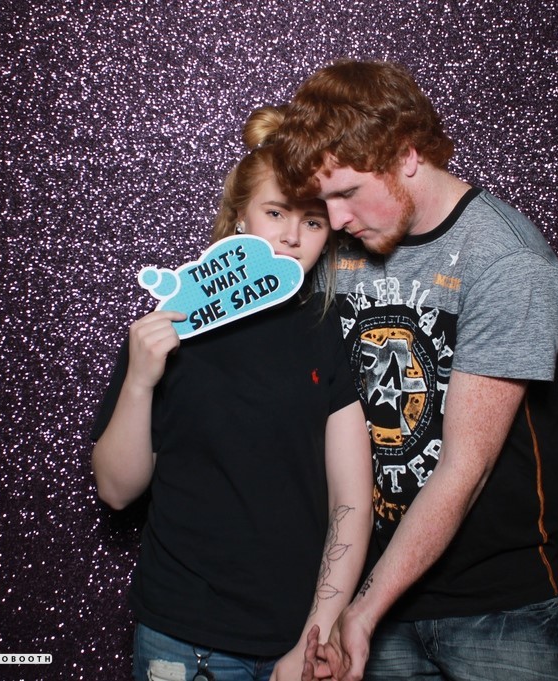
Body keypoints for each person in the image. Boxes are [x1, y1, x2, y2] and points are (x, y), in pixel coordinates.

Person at [272, 60, 558, 681]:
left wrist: (361, 613)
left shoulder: (508, 261)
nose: (334, 220)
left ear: (407, 154)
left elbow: (466, 467)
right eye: (322, 201)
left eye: (347, 193)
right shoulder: (339, 245)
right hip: (363, 595)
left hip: (495, 608)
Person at [90, 106, 373, 681]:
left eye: (313, 222)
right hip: (184, 638)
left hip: (292, 640)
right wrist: (140, 379)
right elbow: (117, 492)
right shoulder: (173, 324)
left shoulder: (326, 332)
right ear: (240, 216)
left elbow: (351, 501)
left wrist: (317, 632)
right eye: (275, 213)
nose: (291, 236)